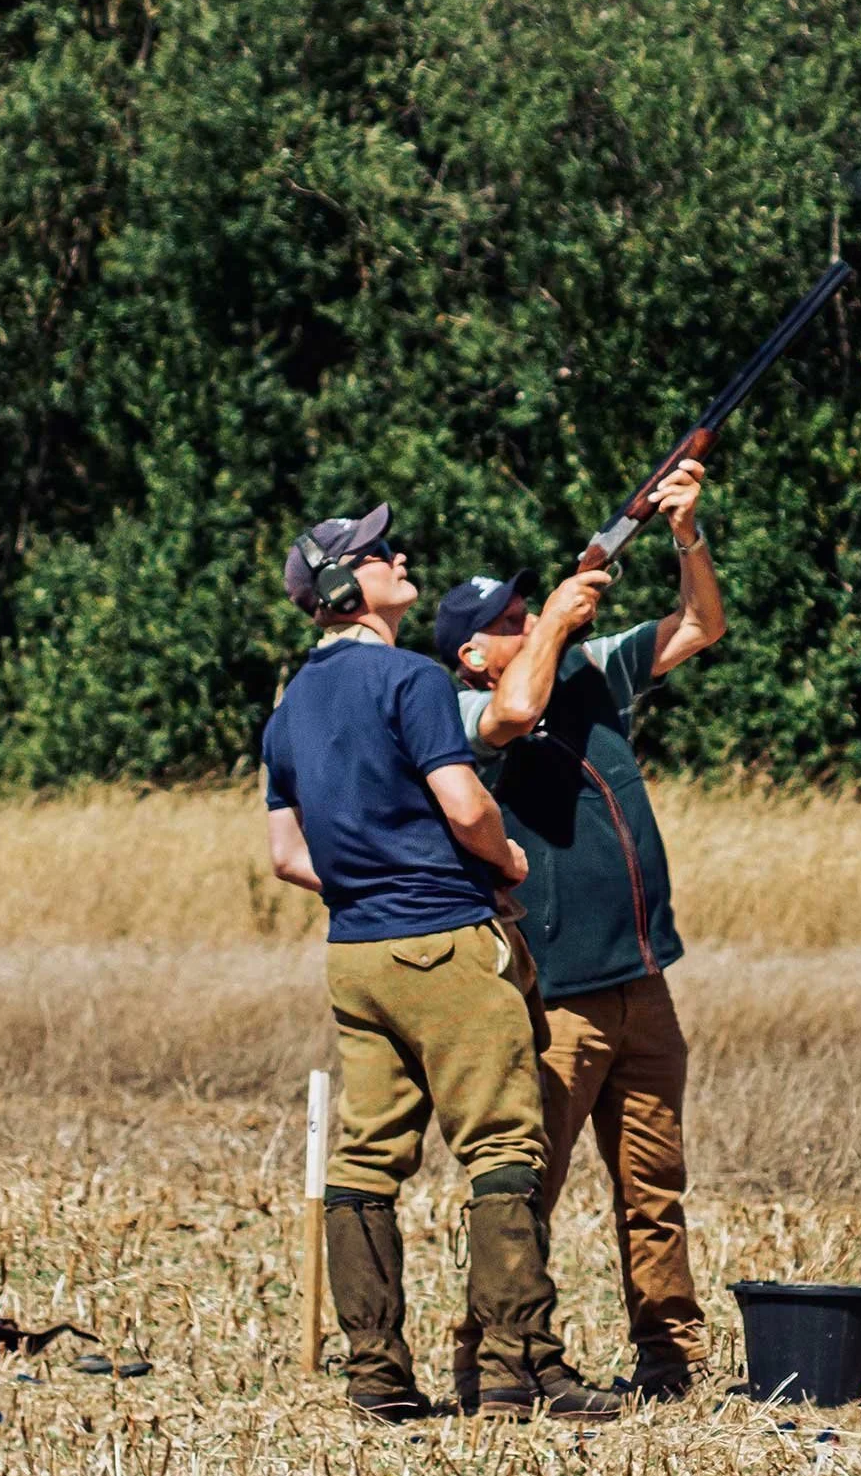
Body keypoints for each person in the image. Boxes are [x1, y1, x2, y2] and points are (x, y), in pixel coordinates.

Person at [262, 502, 625, 1424]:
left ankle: (377, 1375)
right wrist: (505, 861)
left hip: (355, 954)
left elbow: (287, 856)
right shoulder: (410, 679)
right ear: (349, 584)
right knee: (504, 1147)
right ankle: (513, 1370)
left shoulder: (288, 706)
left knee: (367, 1160)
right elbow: (466, 804)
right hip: (446, 942)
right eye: (384, 553)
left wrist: (364, 882)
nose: (402, 554)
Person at [432, 458, 725, 1402]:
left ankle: (671, 1355)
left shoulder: (594, 672)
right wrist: (555, 619)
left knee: (656, 1189)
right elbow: (518, 709)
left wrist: (684, 533)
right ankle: (496, 1356)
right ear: (471, 654)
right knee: (531, 1193)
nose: (524, 621)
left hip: (644, 980)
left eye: (529, 610)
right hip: (558, 993)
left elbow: (701, 625)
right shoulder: (466, 708)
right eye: (505, 622)